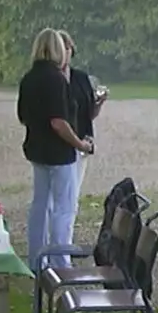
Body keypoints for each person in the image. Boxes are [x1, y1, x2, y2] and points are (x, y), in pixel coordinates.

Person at [16, 28, 93, 271]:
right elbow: (59, 122)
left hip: (37, 151)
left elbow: (22, 116)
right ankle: (61, 261)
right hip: (60, 154)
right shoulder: (57, 79)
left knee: (40, 205)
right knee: (64, 208)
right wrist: (80, 144)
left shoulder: (28, 78)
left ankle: (37, 259)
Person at [56, 31, 105, 206]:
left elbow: (89, 114)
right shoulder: (50, 80)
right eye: (61, 48)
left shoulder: (82, 78)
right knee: (59, 195)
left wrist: (98, 103)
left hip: (82, 141)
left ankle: (66, 229)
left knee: (73, 193)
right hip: (57, 145)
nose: (65, 52)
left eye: (68, 47)